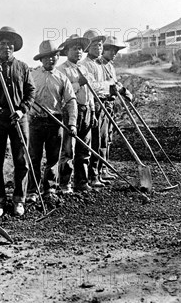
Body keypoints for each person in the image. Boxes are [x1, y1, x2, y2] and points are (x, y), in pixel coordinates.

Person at [0, 26, 36, 217]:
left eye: (10, 44)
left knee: (22, 159)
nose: (7, 47)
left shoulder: (23, 67)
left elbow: (31, 92)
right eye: (3, 44)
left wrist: (22, 110)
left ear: (14, 47)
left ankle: (19, 200)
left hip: (18, 118)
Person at [27, 40, 77, 199]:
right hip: (35, 121)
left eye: (54, 56)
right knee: (34, 157)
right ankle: (32, 191)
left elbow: (71, 101)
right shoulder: (32, 76)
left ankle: (50, 189)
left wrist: (72, 123)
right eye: (47, 57)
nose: (51, 59)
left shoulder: (63, 78)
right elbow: (24, 97)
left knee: (53, 158)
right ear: (41, 59)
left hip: (55, 122)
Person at [56, 34, 95, 193]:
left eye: (80, 48)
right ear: (67, 51)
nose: (78, 51)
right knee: (68, 149)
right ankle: (65, 184)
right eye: (74, 48)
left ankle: (82, 182)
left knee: (84, 148)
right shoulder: (61, 70)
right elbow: (63, 93)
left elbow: (90, 93)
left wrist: (92, 111)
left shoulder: (85, 68)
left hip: (86, 110)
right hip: (71, 112)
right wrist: (79, 83)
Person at [81, 29, 112, 187]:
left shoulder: (100, 64)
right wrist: (108, 86)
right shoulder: (85, 64)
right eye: (94, 45)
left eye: (100, 45)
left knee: (103, 140)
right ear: (87, 47)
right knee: (95, 141)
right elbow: (93, 87)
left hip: (104, 103)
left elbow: (105, 85)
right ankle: (92, 176)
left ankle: (99, 172)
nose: (98, 48)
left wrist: (110, 87)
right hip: (94, 105)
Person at [98, 36, 133, 165]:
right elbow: (102, 86)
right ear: (103, 50)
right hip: (102, 104)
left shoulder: (110, 66)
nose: (114, 53)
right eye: (111, 50)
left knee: (108, 137)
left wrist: (124, 91)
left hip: (111, 104)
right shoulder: (99, 65)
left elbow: (115, 83)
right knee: (102, 138)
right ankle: (99, 170)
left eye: (116, 51)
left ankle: (105, 168)